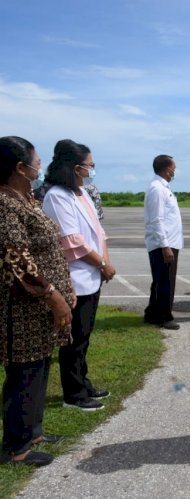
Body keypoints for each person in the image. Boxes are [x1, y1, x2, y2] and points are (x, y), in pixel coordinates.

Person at [0, 136, 75, 466]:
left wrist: (63, 288)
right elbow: (16, 259)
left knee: (40, 366)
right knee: (24, 373)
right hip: (23, 309)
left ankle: (33, 432)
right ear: (19, 167)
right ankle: (17, 448)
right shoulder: (4, 205)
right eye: (36, 161)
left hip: (39, 308)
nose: (39, 166)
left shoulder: (25, 198)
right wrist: (54, 296)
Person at [42, 139, 115, 411]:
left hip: (93, 273)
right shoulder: (57, 196)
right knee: (73, 339)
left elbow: (98, 232)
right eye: (89, 165)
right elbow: (72, 241)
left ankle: (83, 383)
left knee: (84, 335)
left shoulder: (81, 193)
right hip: (77, 277)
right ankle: (73, 394)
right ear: (75, 167)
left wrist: (105, 260)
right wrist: (101, 264)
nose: (91, 170)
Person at [143, 155, 183, 330]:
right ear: (167, 169)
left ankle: (152, 313)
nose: (175, 171)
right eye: (174, 167)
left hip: (169, 242)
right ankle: (164, 317)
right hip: (163, 244)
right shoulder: (157, 189)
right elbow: (156, 220)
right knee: (165, 282)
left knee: (161, 281)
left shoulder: (163, 188)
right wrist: (165, 246)